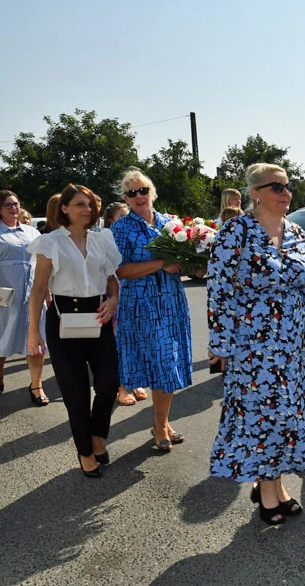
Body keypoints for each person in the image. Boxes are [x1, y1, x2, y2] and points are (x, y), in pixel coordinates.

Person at [208, 163, 305, 525]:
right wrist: (220, 344)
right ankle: (268, 492)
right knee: (263, 414)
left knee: (286, 413)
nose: (285, 193)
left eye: (287, 186)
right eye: (276, 187)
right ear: (255, 193)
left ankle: (275, 486)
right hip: (252, 343)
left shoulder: (295, 232)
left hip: (291, 343)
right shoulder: (236, 231)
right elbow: (219, 291)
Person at [26, 184, 122, 478]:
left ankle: (97, 434)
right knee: (75, 391)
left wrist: (114, 299)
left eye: (91, 204)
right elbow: (39, 288)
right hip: (62, 317)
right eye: (80, 204)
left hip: (98, 316)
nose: (87, 209)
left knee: (108, 383)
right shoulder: (50, 242)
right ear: (64, 208)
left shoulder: (102, 239)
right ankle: (85, 451)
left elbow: (111, 279)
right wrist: (34, 332)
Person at [110, 169, 193, 451]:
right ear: (126, 198)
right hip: (142, 304)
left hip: (171, 300)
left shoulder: (171, 223)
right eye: (132, 193)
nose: (138, 196)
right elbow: (121, 270)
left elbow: (186, 259)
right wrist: (161, 264)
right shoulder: (120, 229)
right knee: (161, 362)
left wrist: (193, 258)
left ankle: (163, 422)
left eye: (143, 190)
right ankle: (160, 424)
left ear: (152, 192)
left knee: (168, 363)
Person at [0, 190, 48, 404]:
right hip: (5, 293)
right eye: (7, 205)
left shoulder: (31, 232)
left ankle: (37, 385)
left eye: (15, 204)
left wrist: (48, 291)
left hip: (32, 291)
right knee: (2, 335)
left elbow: (41, 263)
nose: (13, 208)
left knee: (37, 336)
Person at [102, 201, 147, 407]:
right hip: (115, 294)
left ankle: (134, 381)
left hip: (135, 295)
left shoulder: (135, 235)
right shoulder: (106, 239)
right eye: (121, 216)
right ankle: (121, 387)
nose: (126, 219)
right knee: (118, 344)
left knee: (135, 341)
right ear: (111, 221)